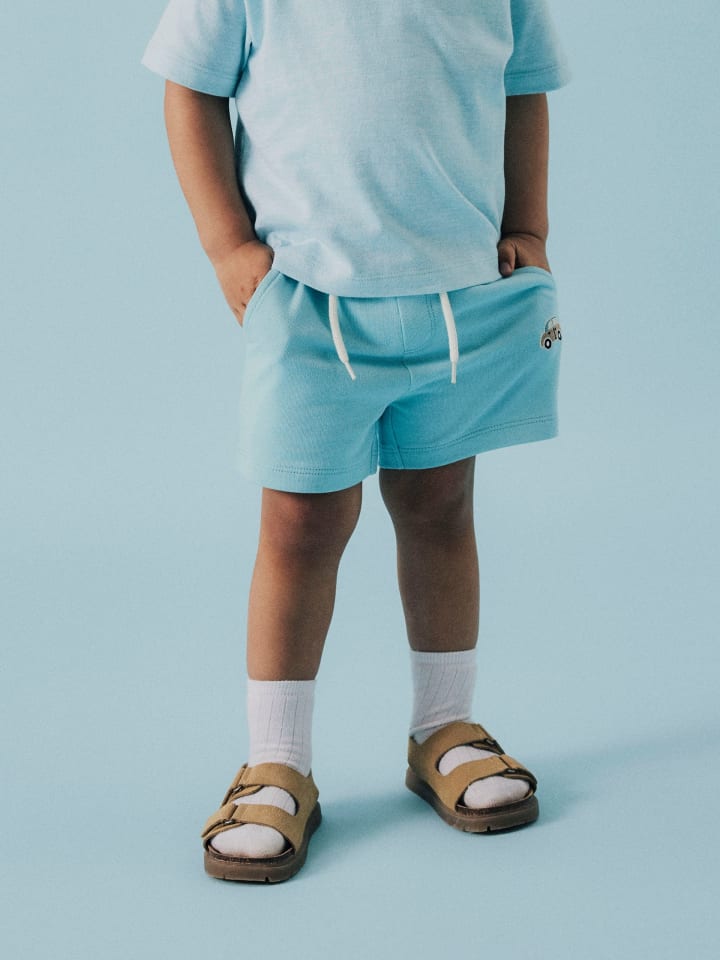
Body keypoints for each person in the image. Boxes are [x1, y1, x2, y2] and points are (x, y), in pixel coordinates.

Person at [141, 0, 571, 883]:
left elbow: (522, 85)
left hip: (462, 297)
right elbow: (189, 88)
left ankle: (443, 727)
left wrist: (528, 226)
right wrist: (227, 245)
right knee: (300, 524)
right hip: (307, 300)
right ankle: (277, 762)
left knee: (441, 505)